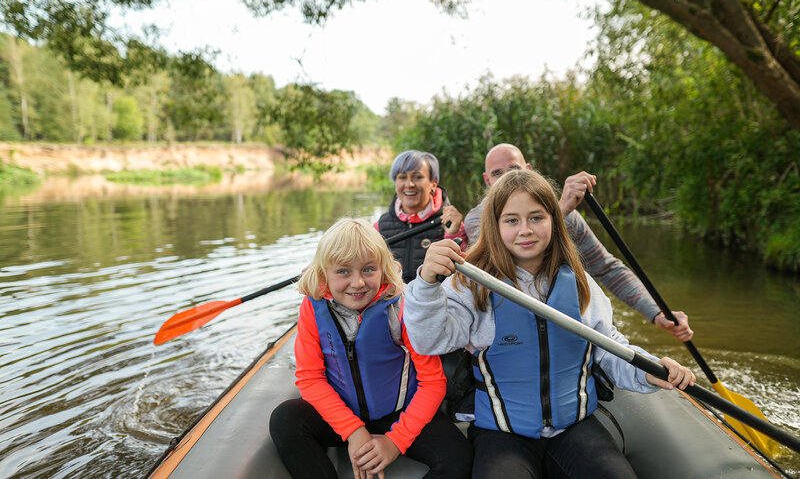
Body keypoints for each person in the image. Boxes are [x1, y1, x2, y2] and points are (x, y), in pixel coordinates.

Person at [403, 169, 696, 479]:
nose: (525, 230)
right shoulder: (471, 284)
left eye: (537, 218)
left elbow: (610, 349)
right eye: (512, 220)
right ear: (495, 226)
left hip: (574, 427)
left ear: (554, 221)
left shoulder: (580, 284)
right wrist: (425, 284)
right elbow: (428, 341)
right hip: (503, 432)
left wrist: (650, 371)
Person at [269, 217, 472, 479]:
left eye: (368, 270)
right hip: (340, 413)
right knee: (285, 420)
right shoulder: (312, 308)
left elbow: (432, 383)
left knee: (459, 458)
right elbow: (310, 379)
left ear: (383, 269)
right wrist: (353, 430)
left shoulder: (402, 308)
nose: (358, 283)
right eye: (343, 271)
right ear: (324, 274)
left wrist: (395, 442)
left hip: (400, 413)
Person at [464, 143, 693, 342]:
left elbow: (607, 268)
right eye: (497, 173)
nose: (506, 178)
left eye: (513, 169)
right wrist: (560, 210)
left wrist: (657, 313)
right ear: (487, 180)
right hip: (511, 332)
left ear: (528, 171)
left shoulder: (570, 217)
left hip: (568, 324)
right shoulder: (476, 218)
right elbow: (499, 262)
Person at [376, 149, 468, 284]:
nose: (409, 184)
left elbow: (462, 279)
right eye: (402, 177)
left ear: (433, 183)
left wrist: (454, 234)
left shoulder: (451, 224)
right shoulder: (379, 226)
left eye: (418, 177)